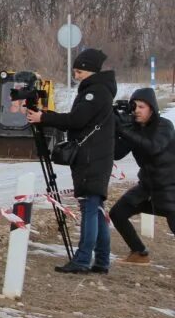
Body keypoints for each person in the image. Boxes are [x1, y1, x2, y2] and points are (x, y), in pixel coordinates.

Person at [25, 48, 116, 274]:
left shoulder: (94, 92)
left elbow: (76, 120)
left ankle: (83, 259)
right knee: (95, 209)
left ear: (90, 71)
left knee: (89, 207)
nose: (75, 76)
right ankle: (102, 260)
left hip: (90, 158)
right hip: (96, 157)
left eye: (78, 72)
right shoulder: (100, 90)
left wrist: (43, 117)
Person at [109, 87, 175, 265]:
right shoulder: (134, 128)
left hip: (169, 187)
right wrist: (116, 129)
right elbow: (117, 154)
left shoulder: (165, 126)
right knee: (118, 213)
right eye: (134, 107)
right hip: (147, 186)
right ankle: (139, 253)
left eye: (141, 107)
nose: (136, 111)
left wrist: (125, 131)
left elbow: (153, 147)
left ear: (152, 108)